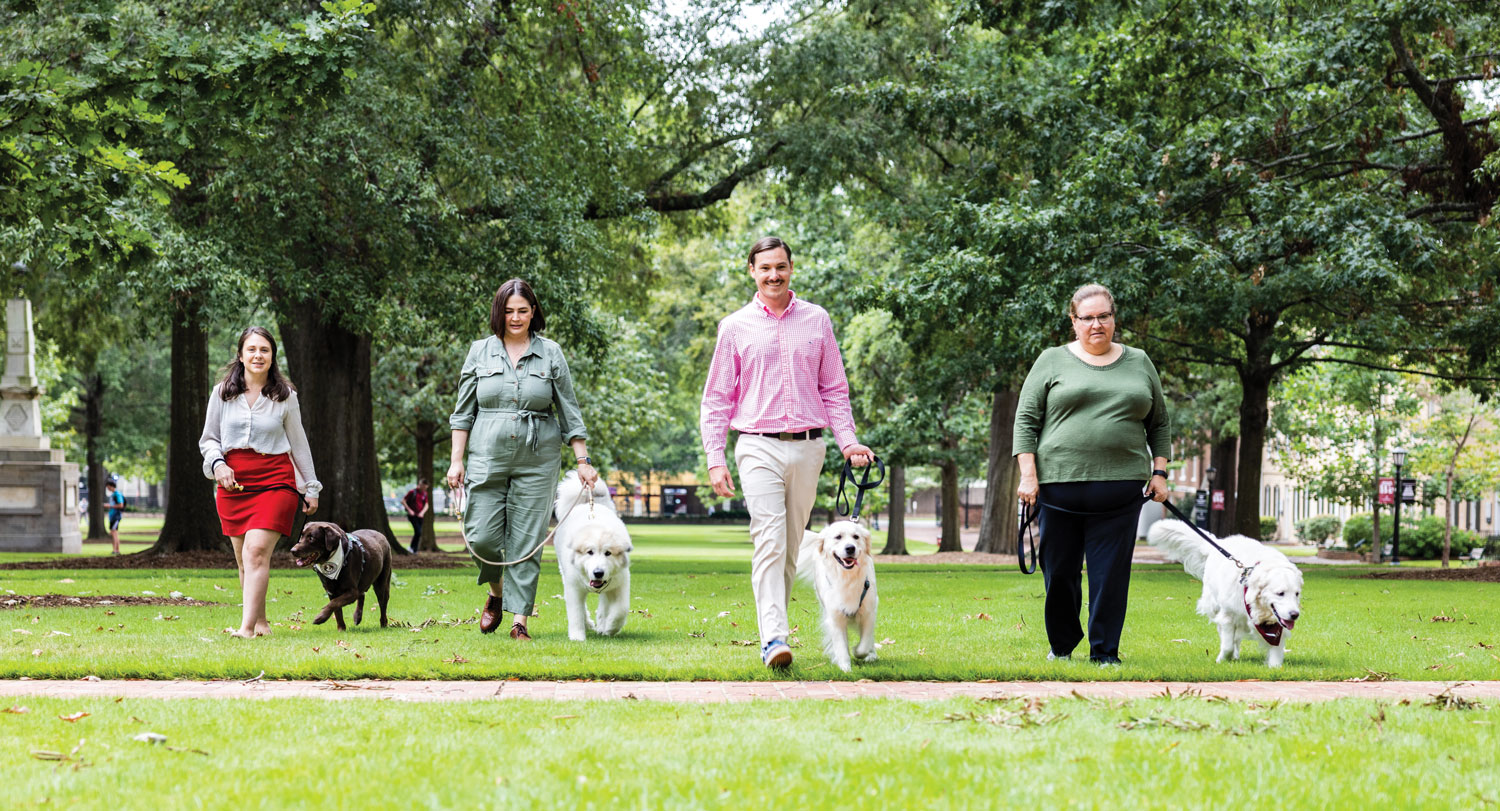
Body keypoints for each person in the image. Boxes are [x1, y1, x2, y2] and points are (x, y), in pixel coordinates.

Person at [700, 236, 873, 669]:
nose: (773, 275)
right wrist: (715, 457)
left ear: (791, 268)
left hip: (808, 448)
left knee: (792, 545)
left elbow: (833, 388)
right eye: (764, 268)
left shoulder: (817, 320)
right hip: (756, 444)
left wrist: (847, 441)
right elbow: (718, 397)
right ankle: (773, 637)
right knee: (770, 542)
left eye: (780, 266)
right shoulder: (735, 326)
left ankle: (776, 630)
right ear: (751, 272)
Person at [1013, 283, 1171, 665]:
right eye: (1088, 318)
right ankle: (1062, 647)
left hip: (1120, 490)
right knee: (1061, 575)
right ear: (1074, 321)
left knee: (1110, 577)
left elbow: (1160, 423)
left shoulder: (1139, 361)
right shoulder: (1051, 360)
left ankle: (1105, 653)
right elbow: (1025, 421)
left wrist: (1160, 472)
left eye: (1104, 316)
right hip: (1058, 488)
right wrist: (1028, 476)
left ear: (1114, 319)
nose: (1096, 325)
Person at [446, 278, 596, 641]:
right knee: (480, 536)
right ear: (500, 312)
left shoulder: (551, 353)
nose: (516, 318)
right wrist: (456, 460)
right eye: (509, 311)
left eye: (523, 311)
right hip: (487, 455)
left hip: (538, 457)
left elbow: (569, 411)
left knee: (527, 540)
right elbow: (462, 412)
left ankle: (519, 622)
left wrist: (583, 461)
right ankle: (496, 593)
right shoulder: (480, 351)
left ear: (534, 312)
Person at [199, 326, 321, 639]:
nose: (258, 355)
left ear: (272, 357)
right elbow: (209, 439)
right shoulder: (223, 393)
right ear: (240, 355)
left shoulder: (285, 397)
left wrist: (310, 487)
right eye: (251, 349)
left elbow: (299, 444)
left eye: (264, 350)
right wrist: (218, 463)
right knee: (244, 561)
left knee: (255, 552)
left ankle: (246, 629)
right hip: (233, 483)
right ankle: (262, 622)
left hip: (276, 480)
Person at [403, 478, 432, 554]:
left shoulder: (424, 494)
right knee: (418, 532)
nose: (424, 489)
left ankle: (414, 549)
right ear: (420, 485)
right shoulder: (412, 492)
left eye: (426, 488)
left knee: (418, 533)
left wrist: (422, 513)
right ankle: (412, 548)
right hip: (412, 515)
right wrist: (410, 510)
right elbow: (403, 501)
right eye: (423, 487)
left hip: (420, 516)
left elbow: (426, 505)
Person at [105, 479, 125, 555]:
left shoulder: (117, 494)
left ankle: (116, 550)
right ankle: (115, 549)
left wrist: (110, 506)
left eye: (108, 487)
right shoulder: (113, 495)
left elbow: (121, 505)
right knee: (113, 533)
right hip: (112, 516)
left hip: (116, 516)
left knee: (114, 533)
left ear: (111, 486)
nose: (107, 488)